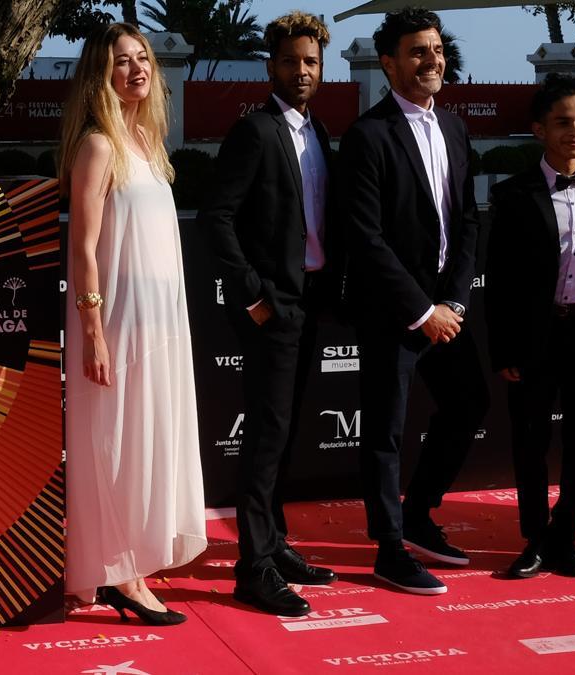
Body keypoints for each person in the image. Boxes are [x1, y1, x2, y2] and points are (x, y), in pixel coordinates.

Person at [59, 22, 207, 624]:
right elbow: (84, 247)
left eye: (142, 59)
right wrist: (92, 330)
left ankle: (116, 568)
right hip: (115, 323)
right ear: (102, 73)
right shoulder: (98, 146)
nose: (137, 69)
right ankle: (122, 576)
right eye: (122, 62)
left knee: (146, 445)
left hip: (158, 324)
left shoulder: (148, 144)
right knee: (115, 448)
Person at [338, 7, 488, 596]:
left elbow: (467, 220)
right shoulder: (368, 134)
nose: (432, 60)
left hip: (446, 310)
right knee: (385, 431)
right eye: (418, 51)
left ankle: (420, 514)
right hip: (393, 313)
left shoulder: (453, 127)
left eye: (436, 49)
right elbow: (364, 235)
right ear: (389, 63)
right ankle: (389, 548)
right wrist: (421, 310)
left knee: (470, 403)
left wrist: (452, 301)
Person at [197, 11, 339, 618]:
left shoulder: (320, 131)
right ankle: (251, 568)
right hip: (271, 308)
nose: (301, 71)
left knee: (283, 438)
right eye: (290, 61)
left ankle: (275, 545)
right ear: (270, 66)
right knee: (264, 439)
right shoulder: (254, 131)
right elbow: (215, 217)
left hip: (311, 302)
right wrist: (253, 296)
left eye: (310, 61)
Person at [485, 75, 575, 580]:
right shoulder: (513, 195)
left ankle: (567, 536)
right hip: (534, 337)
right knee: (531, 441)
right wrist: (505, 349)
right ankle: (535, 537)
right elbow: (499, 280)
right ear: (539, 130)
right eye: (563, 122)